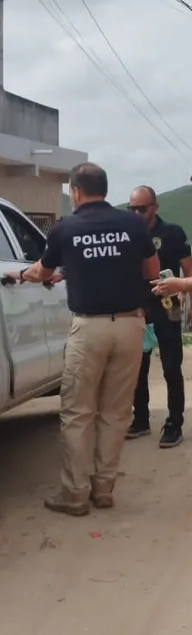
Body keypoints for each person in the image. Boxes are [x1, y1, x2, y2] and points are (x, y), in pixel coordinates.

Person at [6, 163, 159, 516]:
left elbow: (42, 272)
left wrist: (24, 275)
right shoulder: (133, 223)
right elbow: (151, 272)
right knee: (116, 411)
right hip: (130, 326)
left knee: (77, 412)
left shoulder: (66, 228)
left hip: (89, 329)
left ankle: (74, 494)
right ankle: (103, 489)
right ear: (105, 189)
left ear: (75, 191)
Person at [125, 185, 192, 448]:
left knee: (171, 367)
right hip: (137, 308)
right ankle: (140, 418)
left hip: (168, 307)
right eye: (132, 208)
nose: (137, 213)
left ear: (155, 207)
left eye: (142, 208)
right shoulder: (128, 234)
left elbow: (188, 270)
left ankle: (174, 423)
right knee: (136, 369)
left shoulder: (172, 233)